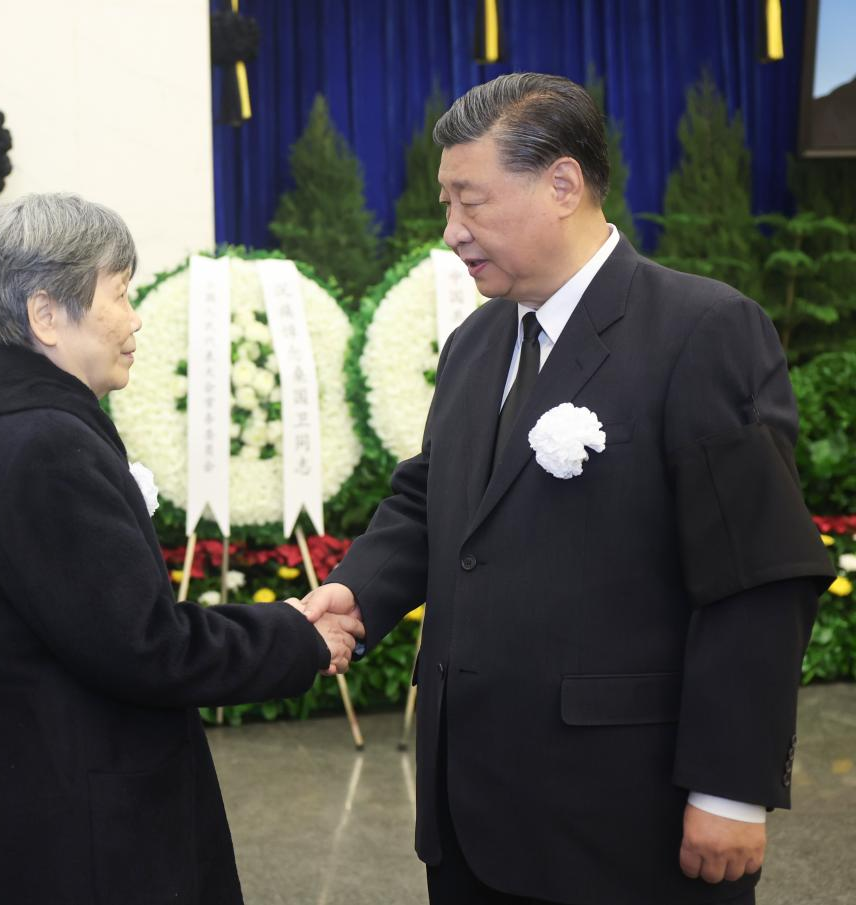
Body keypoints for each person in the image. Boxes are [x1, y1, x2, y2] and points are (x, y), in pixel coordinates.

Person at [302, 73, 834, 905]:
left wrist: (730, 789)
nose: (451, 232)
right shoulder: (477, 344)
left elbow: (756, 576)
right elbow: (432, 498)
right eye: (446, 205)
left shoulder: (700, 331)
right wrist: (356, 593)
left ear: (562, 184)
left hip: (622, 818)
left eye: (471, 203)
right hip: (467, 816)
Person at [0, 193, 363, 905]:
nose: (135, 317)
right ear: (47, 315)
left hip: (9, 836)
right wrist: (295, 635)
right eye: (121, 292)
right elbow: (147, 645)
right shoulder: (42, 448)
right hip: (75, 850)